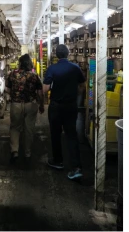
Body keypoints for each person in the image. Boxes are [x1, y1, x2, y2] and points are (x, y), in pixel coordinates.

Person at [43, 44, 85, 180]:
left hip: (56, 106)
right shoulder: (75, 68)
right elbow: (82, 85)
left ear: (56, 55)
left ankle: (58, 161)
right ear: (68, 54)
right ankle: (76, 167)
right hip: (71, 106)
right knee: (71, 134)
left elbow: (46, 88)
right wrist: (75, 93)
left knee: (55, 134)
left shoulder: (52, 68)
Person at [6, 53, 44, 162]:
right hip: (30, 104)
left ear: (20, 63)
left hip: (16, 104)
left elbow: (7, 89)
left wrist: (14, 94)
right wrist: (41, 105)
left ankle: (15, 151)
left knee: (15, 127)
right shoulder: (34, 75)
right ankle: (27, 153)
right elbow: (40, 93)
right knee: (29, 128)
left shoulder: (12, 74)